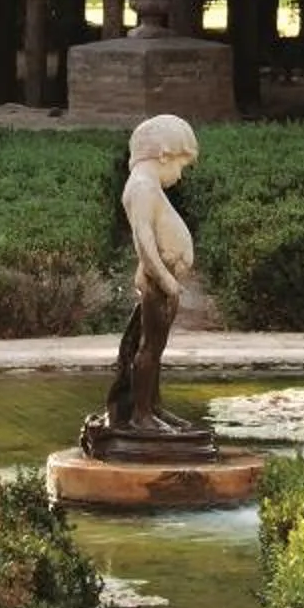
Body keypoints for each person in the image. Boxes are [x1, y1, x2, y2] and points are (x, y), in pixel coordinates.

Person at [100, 113, 201, 435]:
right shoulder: (142, 187)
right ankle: (141, 415)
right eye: (181, 166)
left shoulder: (148, 187)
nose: (180, 176)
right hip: (159, 281)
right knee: (149, 349)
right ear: (163, 154)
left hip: (162, 280)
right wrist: (166, 280)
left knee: (154, 349)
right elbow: (143, 240)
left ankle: (152, 407)